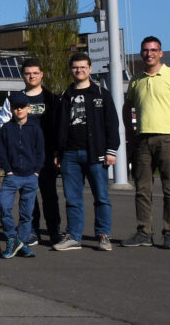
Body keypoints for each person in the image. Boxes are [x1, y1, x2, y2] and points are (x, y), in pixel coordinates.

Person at [121, 36, 170, 250]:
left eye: (153, 50)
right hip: (142, 139)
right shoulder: (136, 79)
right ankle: (144, 232)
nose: (149, 53)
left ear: (160, 53)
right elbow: (127, 108)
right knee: (142, 189)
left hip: (168, 138)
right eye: (145, 50)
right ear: (142, 53)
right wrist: (131, 133)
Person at [53, 52, 119, 252]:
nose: (79, 70)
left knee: (101, 196)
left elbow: (112, 124)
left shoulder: (101, 94)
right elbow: (58, 127)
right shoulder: (64, 96)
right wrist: (58, 153)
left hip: (96, 154)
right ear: (71, 69)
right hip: (70, 155)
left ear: (90, 69)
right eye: (75, 67)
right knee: (72, 198)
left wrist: (111, 151)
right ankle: (74, 236)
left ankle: (103, 235)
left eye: (83, 67)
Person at [0, 58, 62, 246]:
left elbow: (59, 127)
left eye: (35, 72)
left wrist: (58, 153)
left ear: (41, 74)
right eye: (27, 73)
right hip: (22, 159)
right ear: (22, 75)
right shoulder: (14, 99)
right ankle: (31, 231)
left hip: (45, 156)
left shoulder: (51, 99)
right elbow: (3, 125)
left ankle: (54, 230)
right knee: (28, 199)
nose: (31, 76)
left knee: (49, 195)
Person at [0, 97, 45, 259]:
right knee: (4, 204)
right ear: (12, 109)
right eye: (16, 107)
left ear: (28, 109)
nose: (19, 110)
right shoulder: (6, 129)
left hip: (30, 176)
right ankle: (12, 237)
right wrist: (8, 170)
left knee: (27, 213)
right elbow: (1, 151)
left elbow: (40, 151)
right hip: (12, 176)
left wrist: (36, 171)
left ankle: (22, 243)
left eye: (22, 107)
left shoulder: (35, 128)